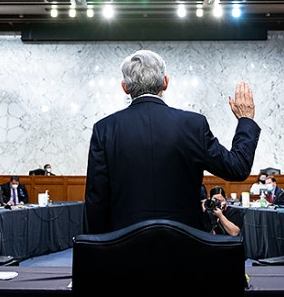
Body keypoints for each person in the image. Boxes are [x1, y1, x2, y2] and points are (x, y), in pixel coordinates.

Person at [83, 49, 260, 234]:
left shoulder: (104, 129)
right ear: (165, 82)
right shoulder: (193, 125)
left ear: (125, 87)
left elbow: (96, 200)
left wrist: (100, 247)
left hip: (124, 245)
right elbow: (237, 167)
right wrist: (246, 121)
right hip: (185, 244)